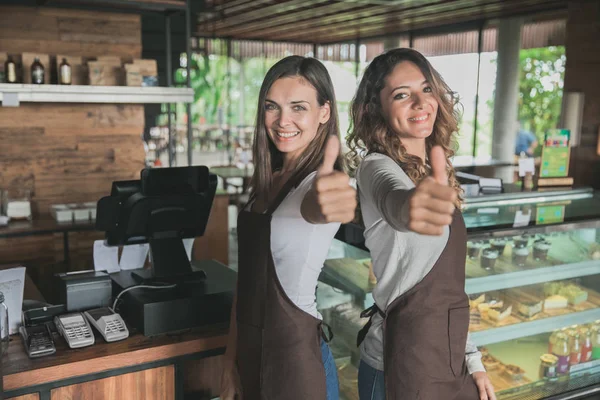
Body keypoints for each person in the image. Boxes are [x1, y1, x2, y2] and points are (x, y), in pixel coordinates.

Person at [346, 48, 496, 400]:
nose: (420, 102)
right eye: (401, 95)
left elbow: (449, 293)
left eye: (426, 89)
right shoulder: (375, 167)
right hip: (394, 363)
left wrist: (472, 360)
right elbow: (394, 198)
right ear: (375, 109)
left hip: (446, 359)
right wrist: (410, 206)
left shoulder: (436, 170)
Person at [220, 56, 357, 400]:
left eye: (299, 107)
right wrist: (229, 360)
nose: (283, 121)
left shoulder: (317, 184)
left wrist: (334, 196)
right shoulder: (267, 181)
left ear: (324, 112)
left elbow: (319, 206)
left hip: (297, 361)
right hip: (251, 356)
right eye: (272, 107)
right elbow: (245, 281)